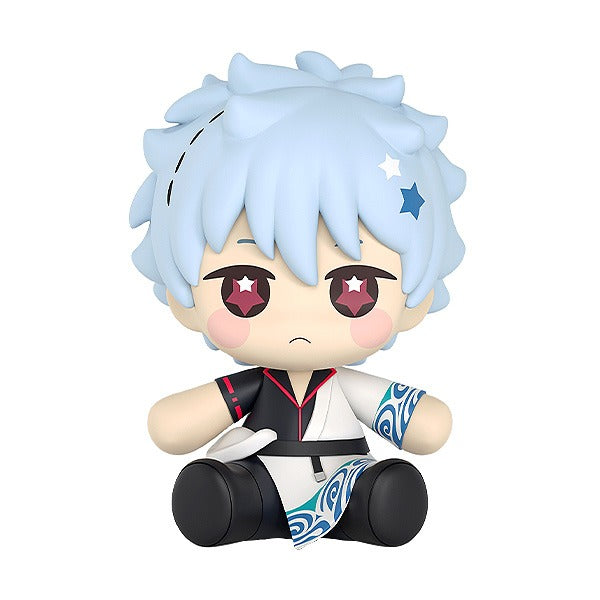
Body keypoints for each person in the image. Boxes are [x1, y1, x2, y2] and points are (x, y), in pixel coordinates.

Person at [130, 51, 466, 549]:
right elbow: (169, 427)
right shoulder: (254, 386)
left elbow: (429, 427)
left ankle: (370, 506)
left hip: (345, 482)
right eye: (245, 287)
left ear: (415, 298)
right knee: (227, 495)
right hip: (259, 478)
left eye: (354, 288)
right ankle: (232, 504)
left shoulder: (344, 385)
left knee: (377, 496)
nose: (300, 316)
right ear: (185, 297)